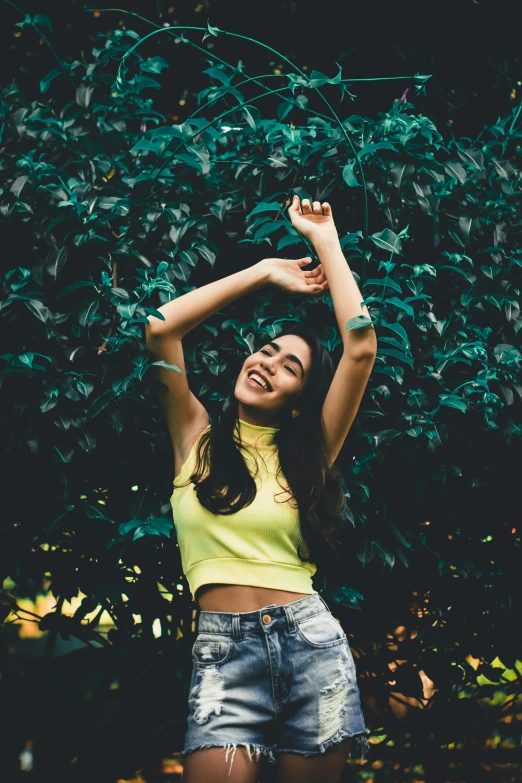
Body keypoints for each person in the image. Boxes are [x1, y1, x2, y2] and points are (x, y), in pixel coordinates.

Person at [145, 196, 377, 782]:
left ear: (300, 403)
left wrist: (325, 239)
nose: (268, 363)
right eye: (267, 351)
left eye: (289, 367)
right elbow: (160, 330)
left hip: (311, 647)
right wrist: (265, 271)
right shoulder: (194, 438)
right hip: (222, 657)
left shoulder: (310, 456)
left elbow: (361, 345)